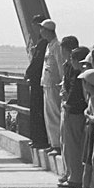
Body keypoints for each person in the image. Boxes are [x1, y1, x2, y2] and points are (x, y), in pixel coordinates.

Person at [58, 45, 88, 188]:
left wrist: (66, 103)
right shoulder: (80, 74)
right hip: (76, 112)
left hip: (74, 112)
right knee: (72, 146)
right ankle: (71, 174)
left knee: (72, 146)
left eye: (72, 59)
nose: (70, 61)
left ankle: (74, 177)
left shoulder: (78, 76)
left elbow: (74, 95)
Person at [24, 15, 50, 149]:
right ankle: (40, 139)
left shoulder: (43, 43)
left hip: (38, 82)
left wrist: (28, 73)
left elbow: (37, 61)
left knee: (37, 110)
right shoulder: (44, 42)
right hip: (41, 81)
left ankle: (39, 139)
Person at [39, 19, 63, 155]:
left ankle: (58, 145)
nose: (40, 31)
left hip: (54, 85)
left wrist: (62, 83)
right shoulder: (49, 45)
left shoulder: (57, 46)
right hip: (47, 84)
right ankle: (53, 143)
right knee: (49, 115)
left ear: (48, 31)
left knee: (55, 114)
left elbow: (60, 65)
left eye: (42, 29)